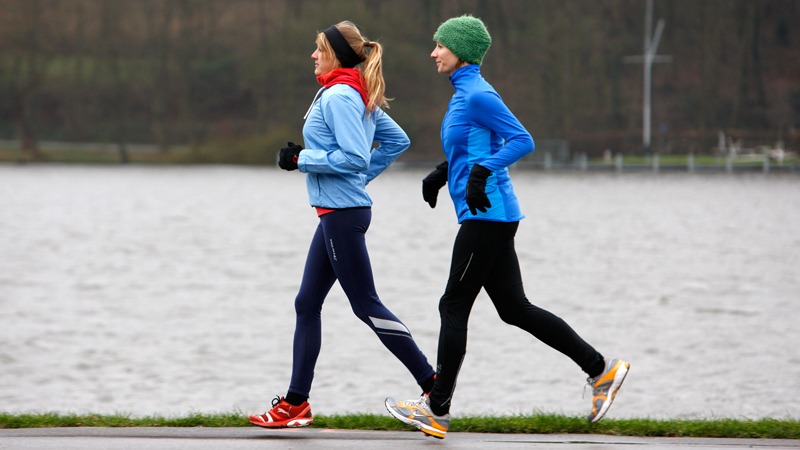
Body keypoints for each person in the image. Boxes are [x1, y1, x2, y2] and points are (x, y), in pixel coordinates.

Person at [384, 15, 629, 439]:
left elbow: (522, 139)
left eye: (440, 45)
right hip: (491, 214)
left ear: (459, 50)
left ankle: (436, 408)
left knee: (453, 304)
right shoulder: (464, 93)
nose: (433, 52)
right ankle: (600, 370)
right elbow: (478, 144)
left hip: (488, 215)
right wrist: (444, 173)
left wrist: (480, 174)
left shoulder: (478, 94)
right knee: (514, 308)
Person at [249, 21, 436, 429]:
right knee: (306, 304)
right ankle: (296, 403)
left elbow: (352, 157)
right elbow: (397, 140)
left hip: (343, 215)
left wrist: (303, 160)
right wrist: (357, 177)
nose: (313, 56)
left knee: (365, 304)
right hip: (337, 213)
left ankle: (433, 386)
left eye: (319, 49)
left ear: (336, 54)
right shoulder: (353, 91)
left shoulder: (339, 95)